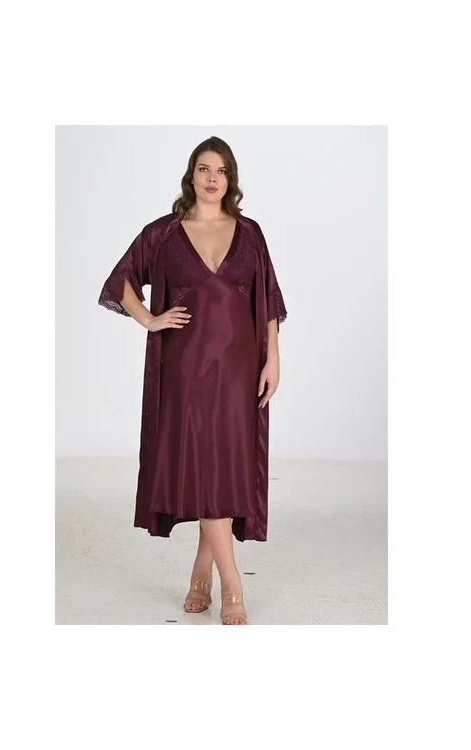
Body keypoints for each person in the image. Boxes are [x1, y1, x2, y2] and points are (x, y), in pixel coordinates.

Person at [98, 136, 288, 626]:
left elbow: (268, 300)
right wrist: (149, 319)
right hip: (186, 371)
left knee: (220, 470)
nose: (212, 178)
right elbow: (121, 279)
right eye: (204, 169)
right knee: (206, 468)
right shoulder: (164, 233)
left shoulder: (250, 233)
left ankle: (200, 572)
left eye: (221, 170)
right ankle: (232, 584)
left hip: (239, 370)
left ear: (231, 179)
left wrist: (273, 359)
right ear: (191, 175)